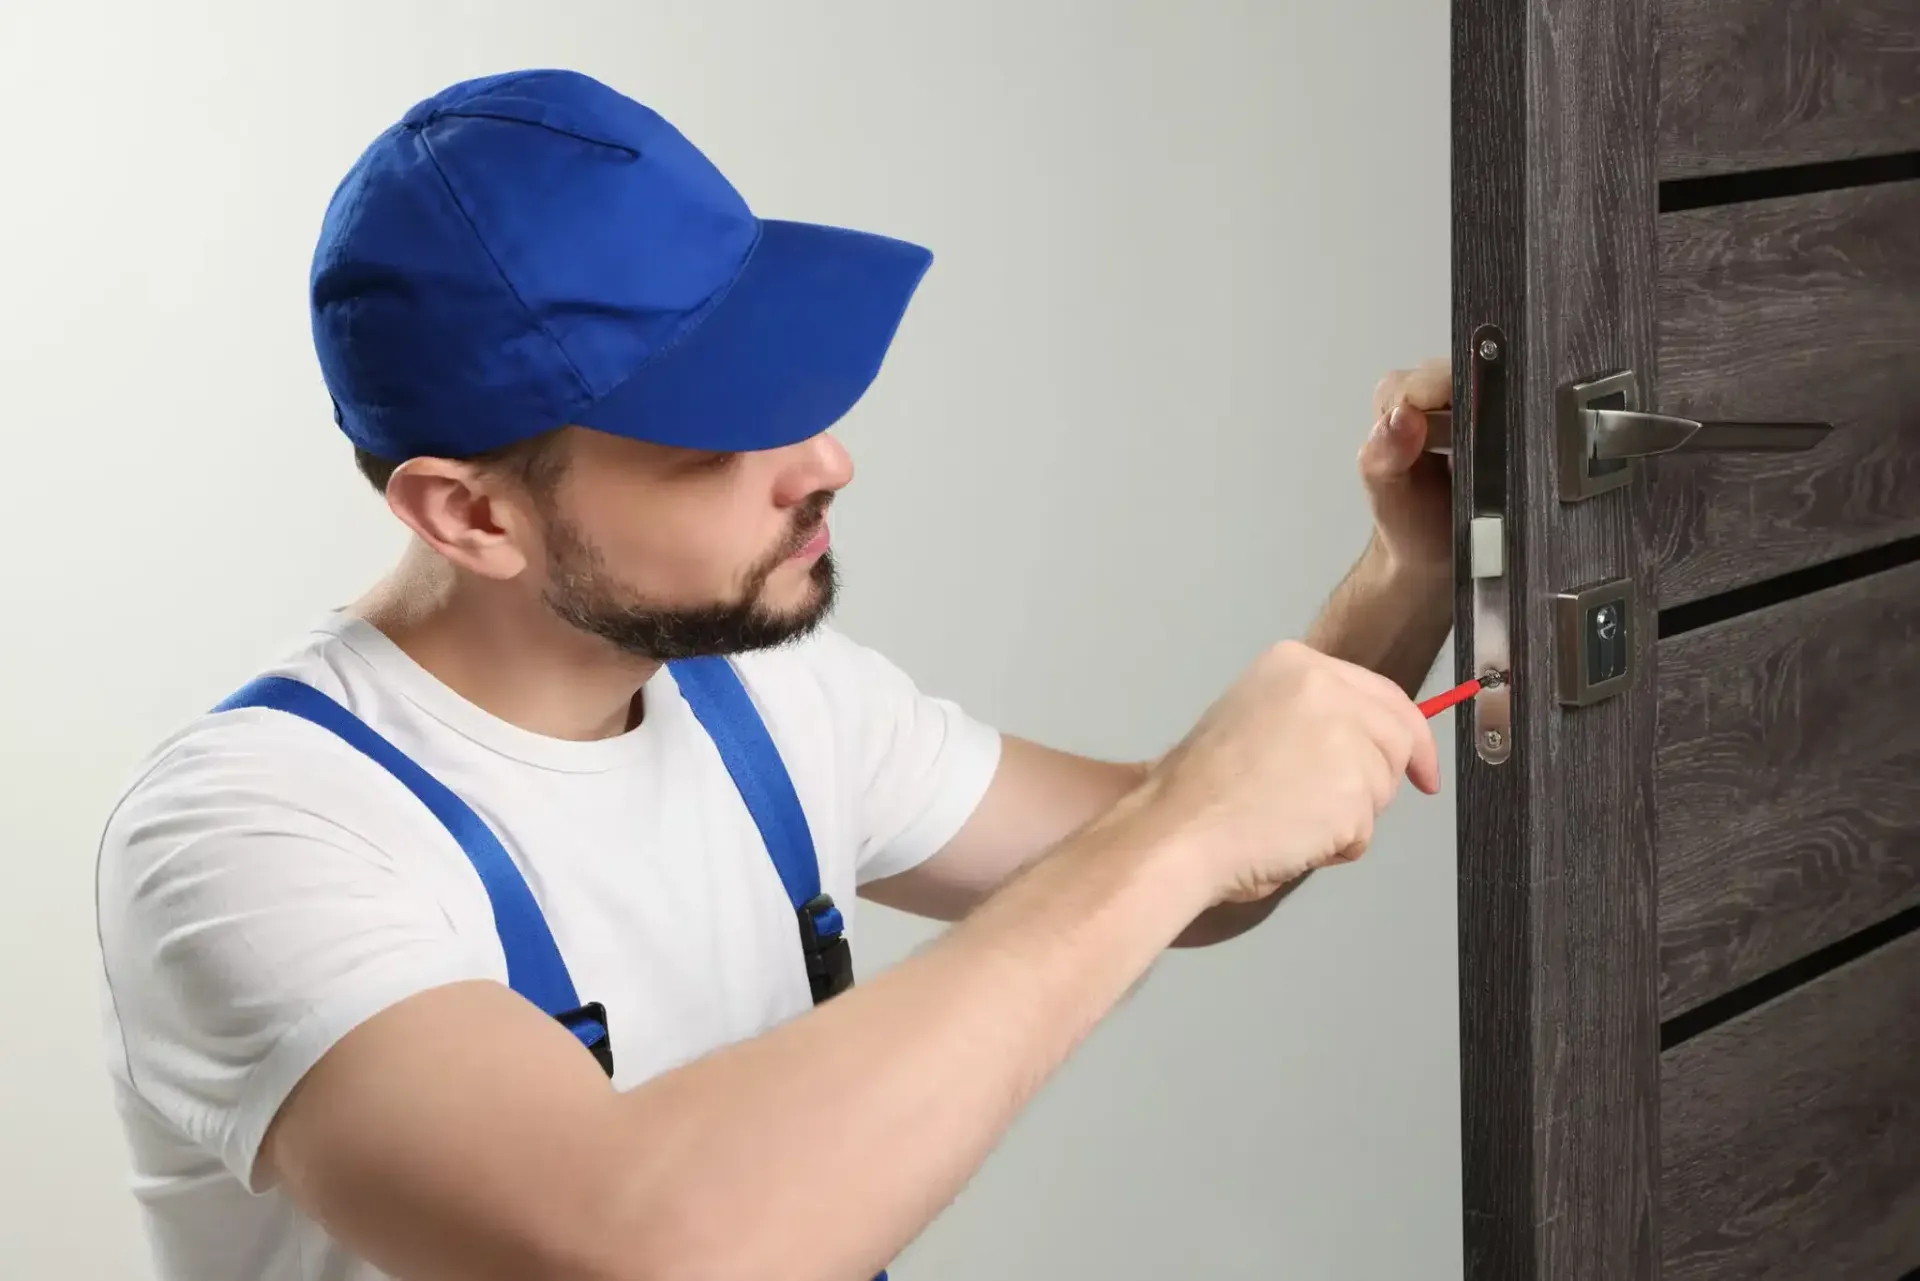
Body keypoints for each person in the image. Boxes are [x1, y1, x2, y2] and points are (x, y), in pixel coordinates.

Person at [93, 68, 1456, 1281]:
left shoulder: (766, 701)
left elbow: (1189, 863)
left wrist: (1417, 573)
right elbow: (633, 1245)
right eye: (711, 436)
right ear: (471, 516)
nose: (825, 463)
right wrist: (1185, 826)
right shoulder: (253, 835)